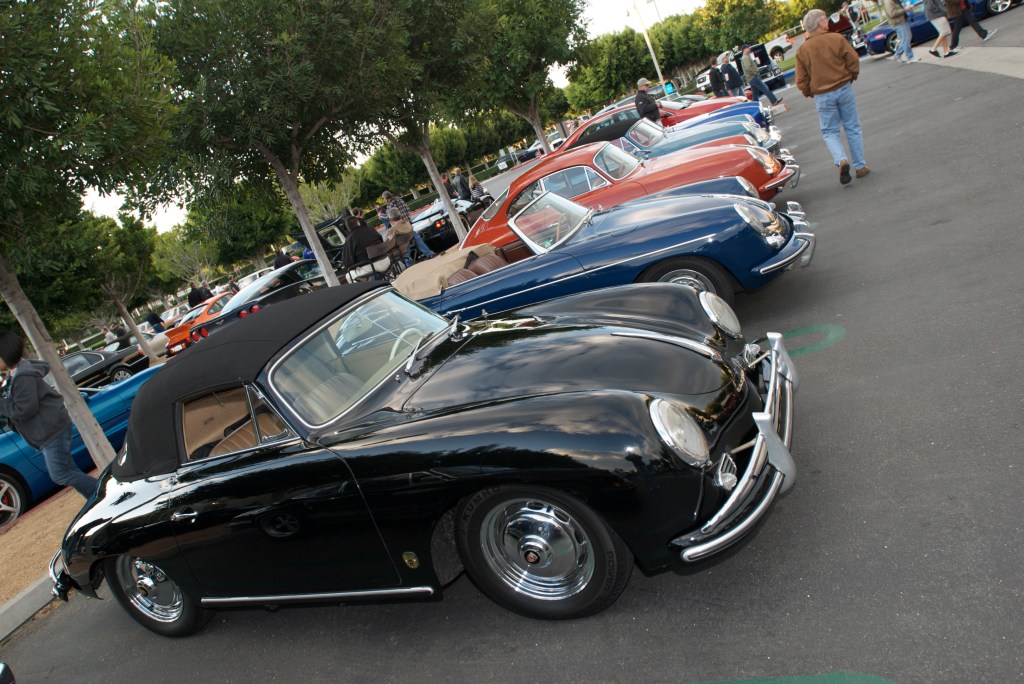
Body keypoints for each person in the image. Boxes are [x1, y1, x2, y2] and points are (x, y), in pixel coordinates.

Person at [0, 331, 97, 499]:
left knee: (60, 474)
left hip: (51, 431)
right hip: (50, 430)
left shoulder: (23, 376)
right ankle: (95, 497)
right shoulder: (16, 373)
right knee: (68, 470)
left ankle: (102, 492)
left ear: (6, 353)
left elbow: (24, 409)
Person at [796, 8, 870, 185]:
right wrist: (851, 76)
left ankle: (841, 159)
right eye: (825, 19)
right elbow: (852, 59)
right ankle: (860, 166)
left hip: (822, 94)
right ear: (820, 23)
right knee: (852, 126)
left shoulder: (803, 50)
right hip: (843, 87)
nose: (828, 21)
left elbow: (801, 79)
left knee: (830, 132)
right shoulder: (836, 39)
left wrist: (809, 92)